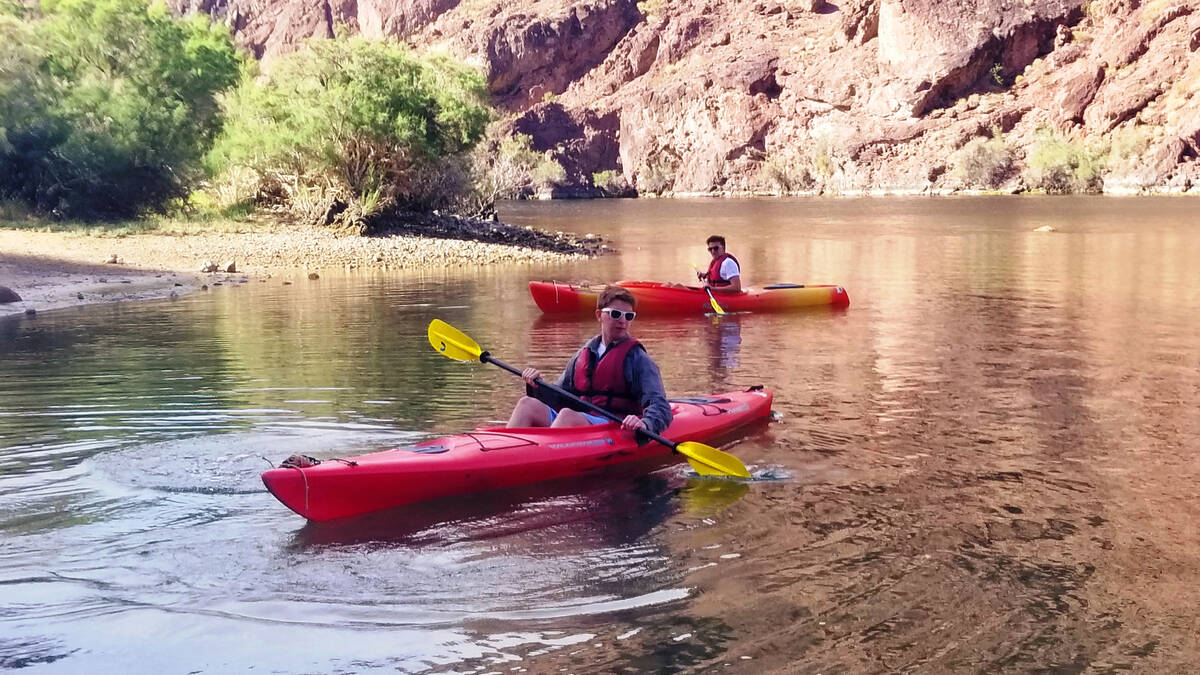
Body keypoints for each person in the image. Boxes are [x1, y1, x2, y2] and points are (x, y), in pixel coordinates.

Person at [507, 286, 673, 436]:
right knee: (526, 404)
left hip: (613, 424)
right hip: (580, 420)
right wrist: (537, 386)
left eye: (629, 316)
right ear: (599, 315)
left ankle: (540, 460)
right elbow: (561, 396)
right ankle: (504, 452)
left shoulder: (638, 359)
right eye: (616, 314)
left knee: (567, 416)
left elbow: (659, 404)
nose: (622, 321)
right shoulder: (584, 353)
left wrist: (645, 423)